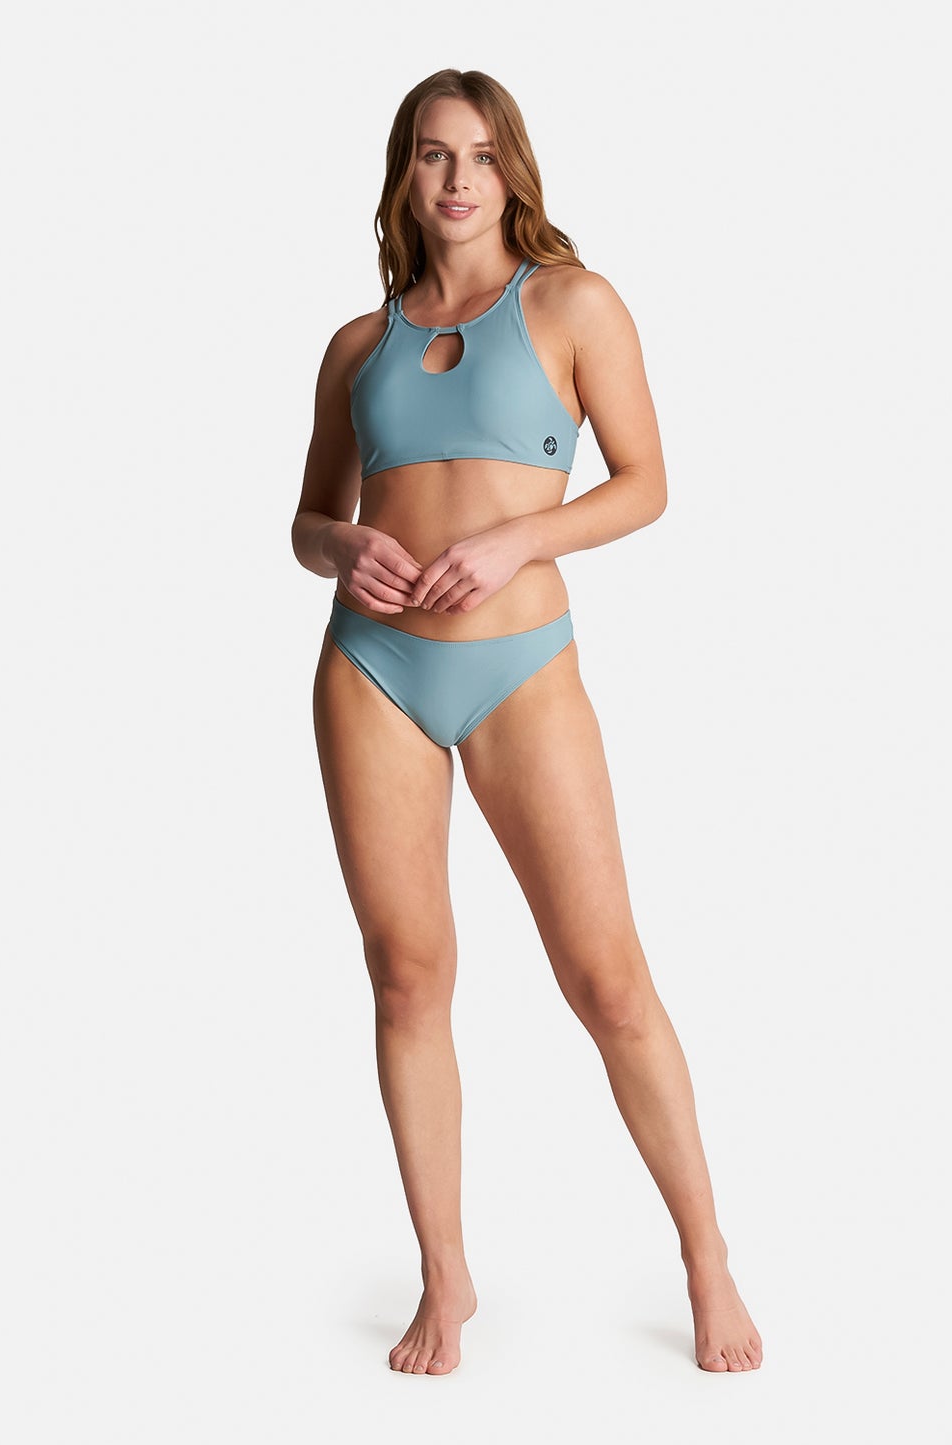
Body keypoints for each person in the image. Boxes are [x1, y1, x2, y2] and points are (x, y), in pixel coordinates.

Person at [291, 67, 762, 1376]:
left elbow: (645, 483)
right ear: (404, 172)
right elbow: (307, 521)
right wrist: (343, 546)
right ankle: (445, 1276)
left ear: (513, 172)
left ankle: (705, 1255)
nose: (457, 180)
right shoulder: (357, 344)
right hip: (371, 669)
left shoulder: (571, 303)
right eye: (433, 155)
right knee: (406, 972)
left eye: (481, 156)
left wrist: (518, 541)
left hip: (519, 668)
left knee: (605, 976)